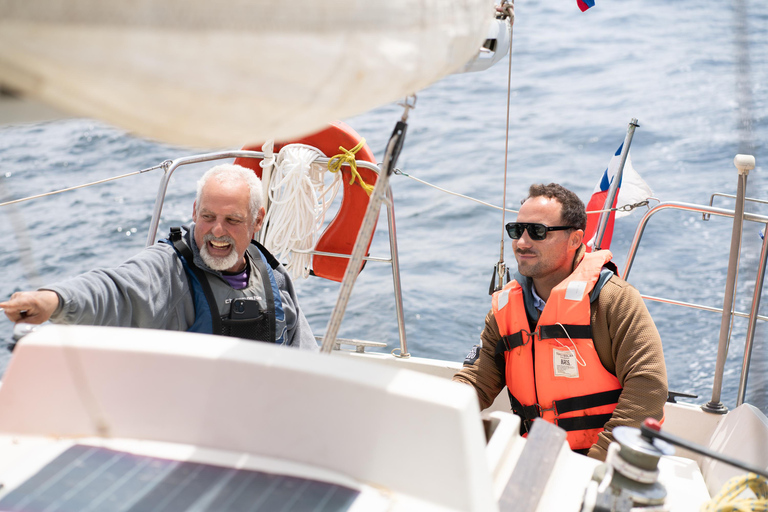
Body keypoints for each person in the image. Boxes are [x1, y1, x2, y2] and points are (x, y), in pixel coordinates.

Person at [0, 164, 318, 351]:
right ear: (194, 211)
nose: (217, 231)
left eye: (232, 220)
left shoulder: (273, 276)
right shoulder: (168, 269)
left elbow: (304, 355)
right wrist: (53, 300)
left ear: (257, 221)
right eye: (207, 216)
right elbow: (114, 290)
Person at [453, 183, 666, 460]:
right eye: (517, 231)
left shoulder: (614, 301)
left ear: (576, 239)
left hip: (599, 461)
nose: (522, 243)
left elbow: (647, 389)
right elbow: (478, 381)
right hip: (532, 456)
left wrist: (593, 464)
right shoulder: (504, 309)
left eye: (538, 232)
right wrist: (440, 407)